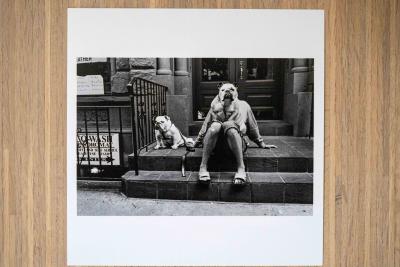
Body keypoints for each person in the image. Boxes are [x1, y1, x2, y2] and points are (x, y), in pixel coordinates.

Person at [195, 83, 276, 185]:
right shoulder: (214, 107)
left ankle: (241, 167)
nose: (227, 92)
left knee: (230, 125)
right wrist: (196, 142)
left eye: (231, 89)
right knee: (214, 126)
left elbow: (252, 127)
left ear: (236, 92)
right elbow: (205, 126)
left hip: (235, 145)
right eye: (223, 90)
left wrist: (261, 143)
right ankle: (203, 166)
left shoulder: (244, 105)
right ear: (219, 93)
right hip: (215, 147)